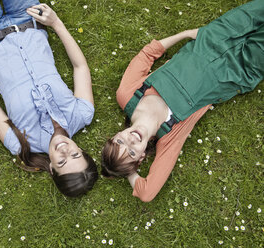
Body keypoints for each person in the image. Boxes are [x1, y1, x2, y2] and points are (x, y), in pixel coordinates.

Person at [101, 0, 263, 202]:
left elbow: (148, 54)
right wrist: (126, 171)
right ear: (142, 156)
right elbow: (147, 193)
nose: (131, 140)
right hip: (239, 68)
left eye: (120, 141)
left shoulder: (127, 95)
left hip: (213, 38)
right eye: (132, 152)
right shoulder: (170, 138)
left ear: (117, 133)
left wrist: (186, 34)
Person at [0, 0, 98, 197]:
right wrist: (56, 23)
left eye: (62, 162)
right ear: (82, 150)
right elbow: (80, 67)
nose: (64, 151)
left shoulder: (20, 144)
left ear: (52, 168)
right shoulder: (83, 114)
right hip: (29, 18)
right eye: (75, 155)